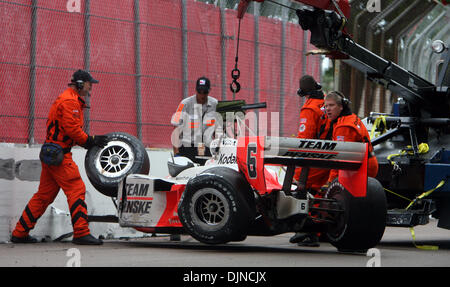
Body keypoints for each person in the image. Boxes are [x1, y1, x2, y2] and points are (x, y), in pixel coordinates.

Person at [10, 69, 109, 245]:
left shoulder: (68, 98)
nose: (90, 88)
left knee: (43, 196)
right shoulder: (70, 101)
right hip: (60, 156)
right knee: (76, 189)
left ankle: (20, 233)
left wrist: (89, 140)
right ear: (80, 84)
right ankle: (81, 233)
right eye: (88, 84)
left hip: (52, 155)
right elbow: (73, 130)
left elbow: (68, 129)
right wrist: (91, 140)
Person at [290, 75, 330, 247]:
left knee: (302, 190)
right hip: (328, 158)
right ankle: (321, 230)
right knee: (320, 194)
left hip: (313, 159)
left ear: (302, 92)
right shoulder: (327, 104)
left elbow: (304, 138)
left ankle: (307, 232)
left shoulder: (310, 108)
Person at [323, 91, 378, 183]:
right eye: (326, 106)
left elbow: (340, 158)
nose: (327, 109)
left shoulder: (343, 126)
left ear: (341, 107)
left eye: (331, 105)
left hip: (362, 167)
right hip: (366, 163)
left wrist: (331, 181)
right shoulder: (350, 117)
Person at [171, 76, 218, 165]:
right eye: (199, 92)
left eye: (205, 92)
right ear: (195, 90)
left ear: (209, 90)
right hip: (186, 146)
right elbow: (176, 128)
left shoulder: (215, 104)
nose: (202, 95)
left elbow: (218, 128)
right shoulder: (184, 104)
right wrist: (176, 153)